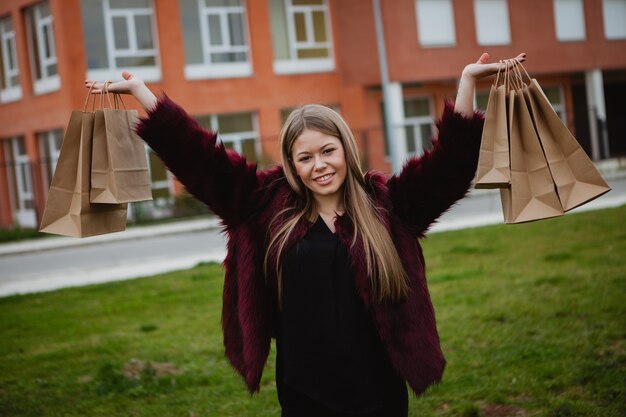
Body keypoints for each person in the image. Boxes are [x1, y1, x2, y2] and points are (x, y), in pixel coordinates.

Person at [86, 52, 525, 417]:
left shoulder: (389, 206)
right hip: (303, 393)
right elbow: (199, 158)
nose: (319, 165)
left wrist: (467, 83)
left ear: (345, 149)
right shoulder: (263, 208)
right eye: (305, 157)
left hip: (379, 393)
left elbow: (449, 168)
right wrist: (143, 95)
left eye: (328, 151)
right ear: (292, 164)